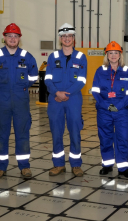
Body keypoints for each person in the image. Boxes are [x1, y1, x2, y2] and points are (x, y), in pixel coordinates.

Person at [0, 23, 38, 179]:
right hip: (2, 100)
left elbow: (33, 77)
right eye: (9, 36)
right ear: (4, 37)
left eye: (15, 36)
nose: (12, 39)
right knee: (1, 134)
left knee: (23, 133)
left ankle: (24, 166)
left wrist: (21, 88)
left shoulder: (27, 56)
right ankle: (0, 167)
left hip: (21, 100)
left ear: (19, 38)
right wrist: (1, 88)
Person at [45, 23, 87, 177]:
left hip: (73, 99)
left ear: (74, 39)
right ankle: (58, 164)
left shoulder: (81, 57)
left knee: (75, 131)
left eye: (70, 36)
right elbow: (47, 79)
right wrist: (57, 93)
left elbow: (81, 80)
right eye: (64, 36)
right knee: (56, 132)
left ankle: (76, 165)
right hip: (55, 99)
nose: (67, 38)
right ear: (60, 39)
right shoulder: (53, 57)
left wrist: (65, 94)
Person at [91, 41, 128, 178]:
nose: (113, 55)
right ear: (107, 55)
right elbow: (95, 91)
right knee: (105, 137)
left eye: (116, 53)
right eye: (111, 53)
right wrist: (106, 105)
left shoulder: (127, 71)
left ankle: (123, 168)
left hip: (121, 110)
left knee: (122, 138)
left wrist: (119, 106)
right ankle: (107, 164)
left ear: (120, 55)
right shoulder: (100, 71)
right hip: (104, 109)